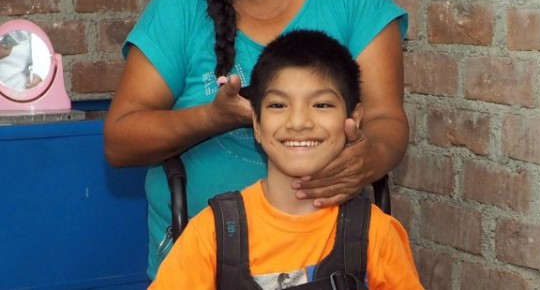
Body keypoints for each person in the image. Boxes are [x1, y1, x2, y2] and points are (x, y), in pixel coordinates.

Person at [103, 0, 410, 279]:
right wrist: (212, 117)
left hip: (327, 265)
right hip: (200, 268)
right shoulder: (177, 11)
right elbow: (119, 141)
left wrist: (371, 158)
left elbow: (387, 120)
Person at [149, 30, 423, 289]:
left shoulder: (376, 235)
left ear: (354, 118)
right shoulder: (213, 234)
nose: (299, 122)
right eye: (278, 105)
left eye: (322, 105)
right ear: (256, 122)